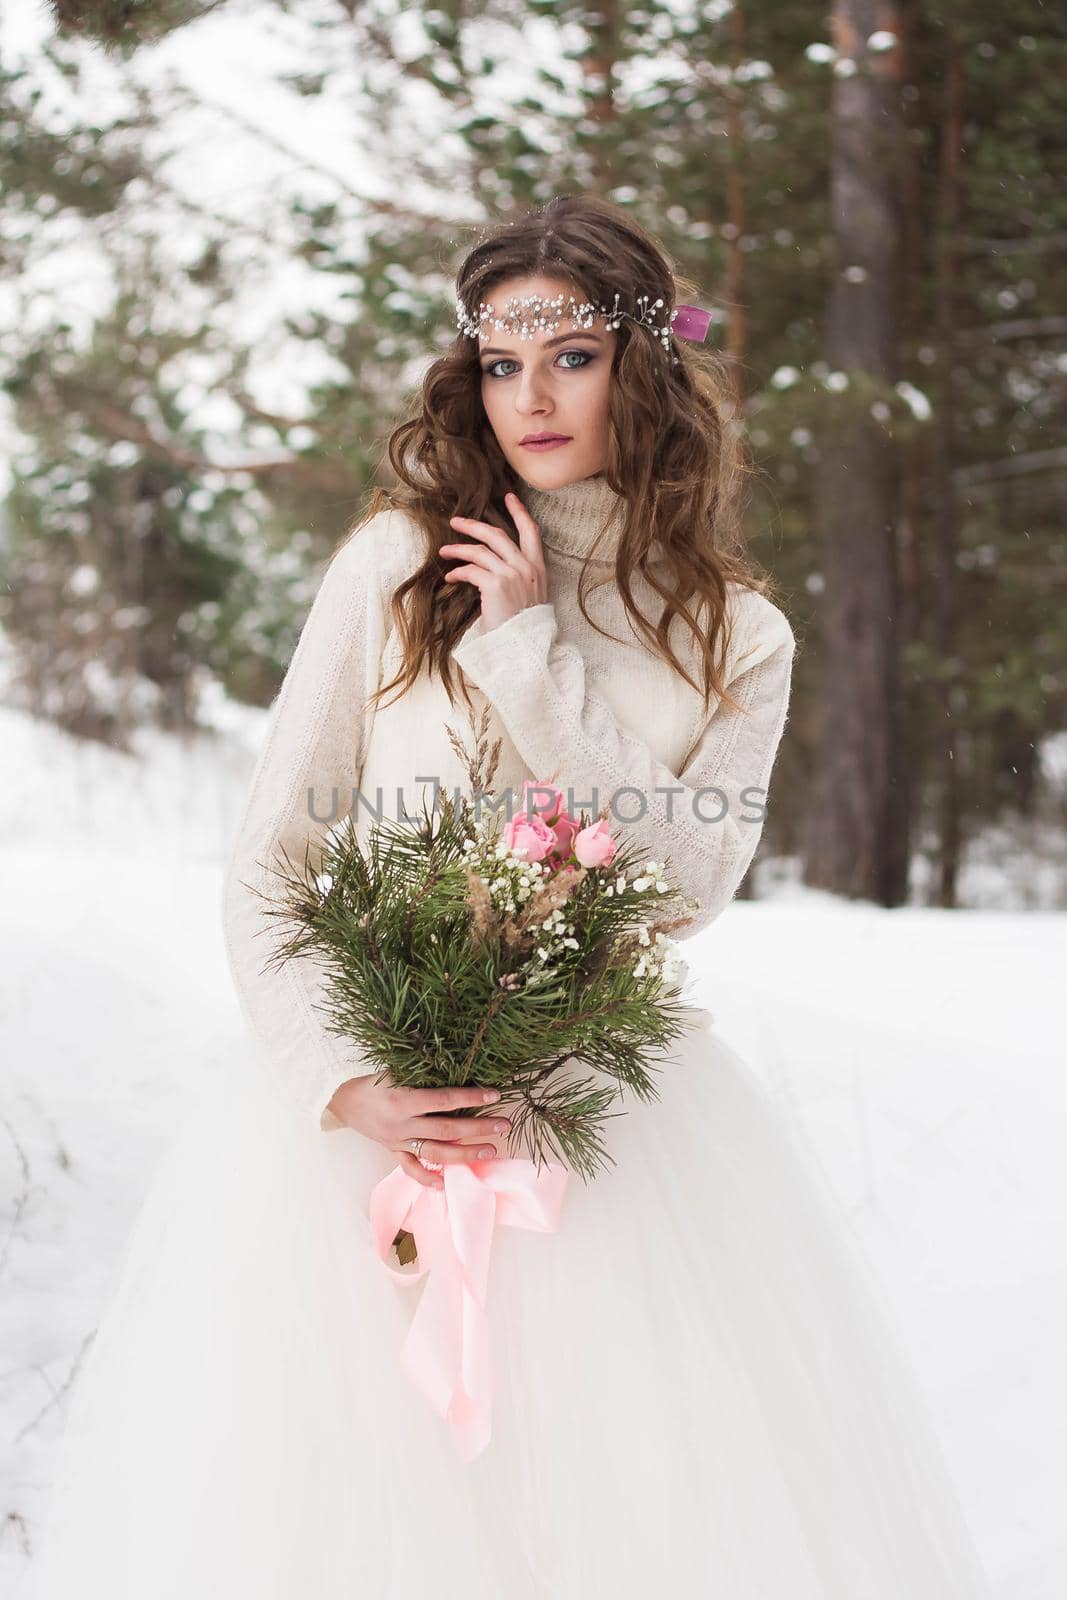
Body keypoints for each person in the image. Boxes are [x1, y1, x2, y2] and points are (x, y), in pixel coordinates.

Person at [26, 195, 993, 1598]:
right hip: (349, 1143)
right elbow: (272, 863)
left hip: (604, 1153)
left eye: (572, 357)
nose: (529, 396)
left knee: (603, 1529)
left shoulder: (741, 633)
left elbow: (688, 886)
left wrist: (534, 657)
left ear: (642, 368)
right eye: (499, 360)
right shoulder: (392, 566)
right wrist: (346, 1081)